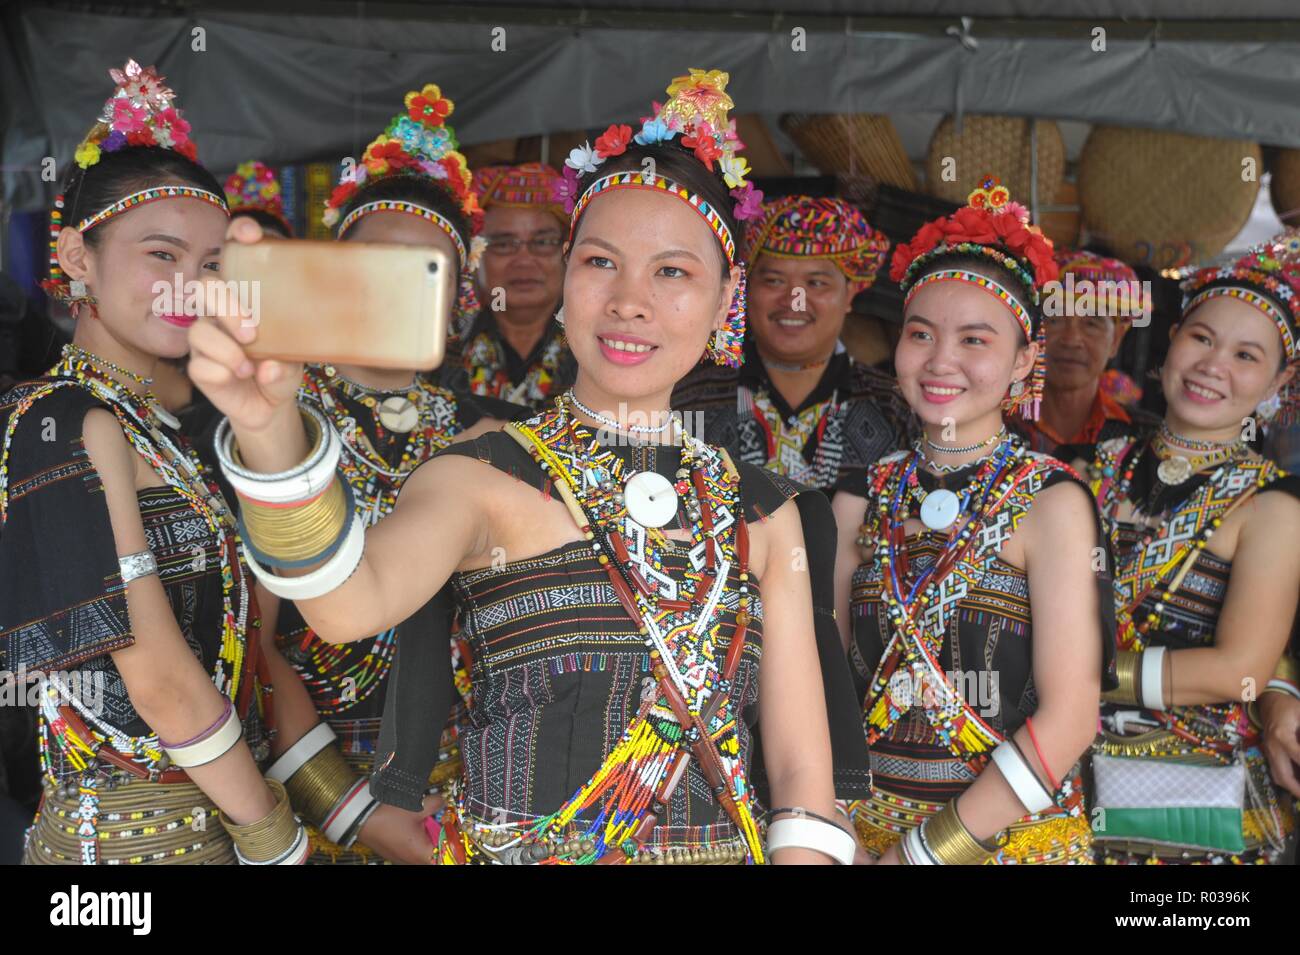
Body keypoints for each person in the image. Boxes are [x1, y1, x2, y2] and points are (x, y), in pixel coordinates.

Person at [188, 67, 871, 865]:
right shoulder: (480, 476)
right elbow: (344, 604)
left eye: (673, 272)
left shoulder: (762, 514)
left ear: (726, 304)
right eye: (600, 262)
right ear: (568, 275)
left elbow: (797, 778)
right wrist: (270, 434)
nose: (628, 300)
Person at [0, 59, 308, 865]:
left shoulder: (160, 425)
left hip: (199, 824)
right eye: (161, 254)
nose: (189, 285)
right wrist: (275, 838)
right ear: (75, 254)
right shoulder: (63, 421)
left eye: (211, 265)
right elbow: (157, 675)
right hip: (127, 849)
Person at [832, 175, 1115, 864]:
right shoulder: (857, 496)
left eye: (974, 340)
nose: (940, 361)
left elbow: (1071, 713)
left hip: (1008, 841)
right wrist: (835, 830)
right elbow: (820, 683)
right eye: (920, 333)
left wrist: (925, 852)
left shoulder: (1053, 503)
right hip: (864, 839)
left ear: (1024, 362)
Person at [270, 85, 520, 863]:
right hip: (314, 798)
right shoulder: (271, 422)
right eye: (374, 264)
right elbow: (244, 645)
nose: (396, 286)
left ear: (458, 303)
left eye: (427, 270)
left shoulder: (493, 434)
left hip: (481, 796)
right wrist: (349, 811)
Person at [1084, 234, 1300, 864]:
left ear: (1279, 380)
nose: (1213, 366)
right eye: (1201, 339)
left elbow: (1241, 670)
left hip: (1186, 792)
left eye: (1245, 355)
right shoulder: (1093, 467)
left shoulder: (1271, 508)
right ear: (1173, 338)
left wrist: (1078, 675)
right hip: (1060, 768)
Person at [674, 195, 909, 493]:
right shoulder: (685, 401)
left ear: (850, 293)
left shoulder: (895, 409)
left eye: (816, 283)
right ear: (744, 289)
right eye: (774, 281)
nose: (794, 300)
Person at [441, 162, 575, 407]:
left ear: (567, 252)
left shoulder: (596, 349)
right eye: (503, 244)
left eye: (543, 241)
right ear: (476, 255)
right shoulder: (438, 348)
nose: (524, 260)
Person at [1013, 248, 1154, 457]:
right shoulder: (997, 424)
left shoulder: (1144, 438)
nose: (1071, 339)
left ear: (1116, 339)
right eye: (1055, 320)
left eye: (1091, 323)